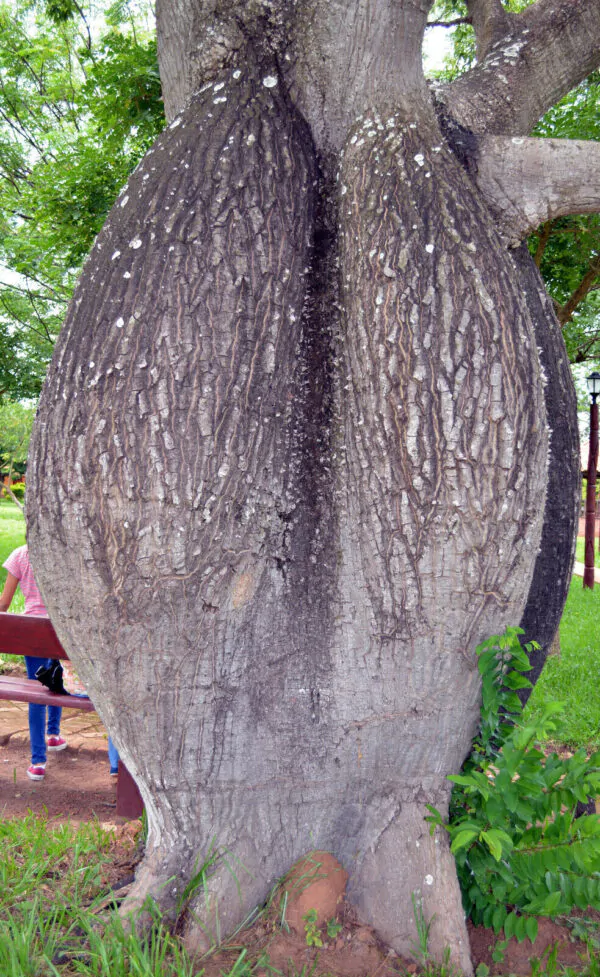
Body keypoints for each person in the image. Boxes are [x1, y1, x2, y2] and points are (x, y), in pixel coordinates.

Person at [0, 544, 66, 780]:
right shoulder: (62, 554)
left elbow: (4, 604)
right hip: (59, 632)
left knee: (36, 690)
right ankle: (54, 735)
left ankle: (38, 761)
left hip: (31, 636)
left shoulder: (20, 555)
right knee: (57, 680)